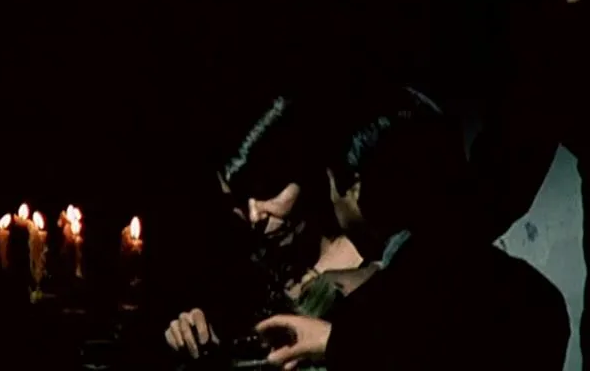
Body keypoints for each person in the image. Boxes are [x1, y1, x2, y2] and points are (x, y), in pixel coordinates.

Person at [254, 87, 571, 370]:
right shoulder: (535, 296)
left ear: (355, 186)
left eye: (333, 186)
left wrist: (339, 345)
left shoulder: (373, 319)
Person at [163, 95, 379, 365]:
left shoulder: (382, 269)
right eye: (238, 201)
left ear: (307, 175)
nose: (254, 216)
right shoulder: (243, 273)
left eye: (267, 191)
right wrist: (197, 336)